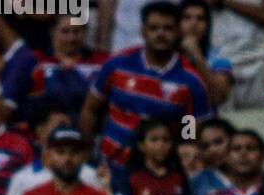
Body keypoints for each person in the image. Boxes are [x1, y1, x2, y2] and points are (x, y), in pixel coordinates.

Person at [80, 0, 210, 169]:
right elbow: (90, 110)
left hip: (157, 172)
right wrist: (85, 152)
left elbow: (189, 135)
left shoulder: (191, 81)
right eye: (154, 28)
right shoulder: (117, 64)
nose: (160, 34)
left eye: (168, 28)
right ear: (143, 31)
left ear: (178, 32)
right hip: (109, 166)